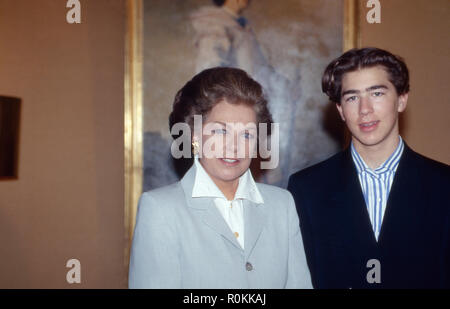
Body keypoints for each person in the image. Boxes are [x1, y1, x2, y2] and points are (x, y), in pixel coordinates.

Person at [129, 67, 312, 288]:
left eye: (246, 134)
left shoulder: (282, 205)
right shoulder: (160, 209)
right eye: (221, 131)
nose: (234, 147)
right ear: (194, 134)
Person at [288, 47, 450, 289]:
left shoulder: (444, 186)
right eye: (352, 97)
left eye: (376, 93)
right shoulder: (306, 189)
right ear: (341, 110)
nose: (365, 109)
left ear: (402, 99)